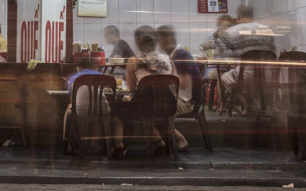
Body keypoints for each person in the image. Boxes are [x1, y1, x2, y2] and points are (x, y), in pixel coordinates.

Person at [112, 25, 174, 158]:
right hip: (168, 103)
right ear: (155, 46)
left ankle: (119, 145)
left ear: (139, 48)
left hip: (145, 103)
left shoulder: (134, 60)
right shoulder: (168, 60)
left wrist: (131, 96)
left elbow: (132, 88)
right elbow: (174, 80)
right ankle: (159, 142)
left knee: (118, 110)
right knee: (145, 112)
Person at [218, 5, 276, 115]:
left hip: (246, 74)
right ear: (252, 16)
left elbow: (224, 53)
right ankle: (261, 109)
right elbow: (273, 53)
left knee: (225, 78)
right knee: (257, 83)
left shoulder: (232, 31)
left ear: (238, 16)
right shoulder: (266, 29)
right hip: (267, 73)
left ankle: (249, 105)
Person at [157, 25, 202, 150]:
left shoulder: (181, 55)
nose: (159, 44)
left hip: (187, 102)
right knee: (149, 106)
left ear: (167, 40)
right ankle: (161, 142)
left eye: (160, 40)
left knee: (153, 110)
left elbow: (183, 83)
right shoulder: (174, 56)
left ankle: (180, 139)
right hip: (178, 98)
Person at [63, 57, 112, 153]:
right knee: (99, 115)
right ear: (95, 67)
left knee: (68, 110)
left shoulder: (75, 77)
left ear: (80, 68)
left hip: (81, 111)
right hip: (102, 109)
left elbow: (72, 99)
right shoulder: (102, 76)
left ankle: (68, 143)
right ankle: (94, 144)